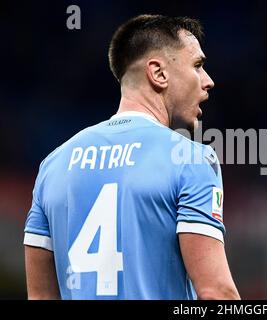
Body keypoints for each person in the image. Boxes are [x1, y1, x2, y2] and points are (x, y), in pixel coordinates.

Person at [23, 14, 240, 300]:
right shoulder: (190, 158)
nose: (208, 81)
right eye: (197, 66)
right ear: (158, 73)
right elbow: (216, 293)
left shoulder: (53, 165)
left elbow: (39, 297)